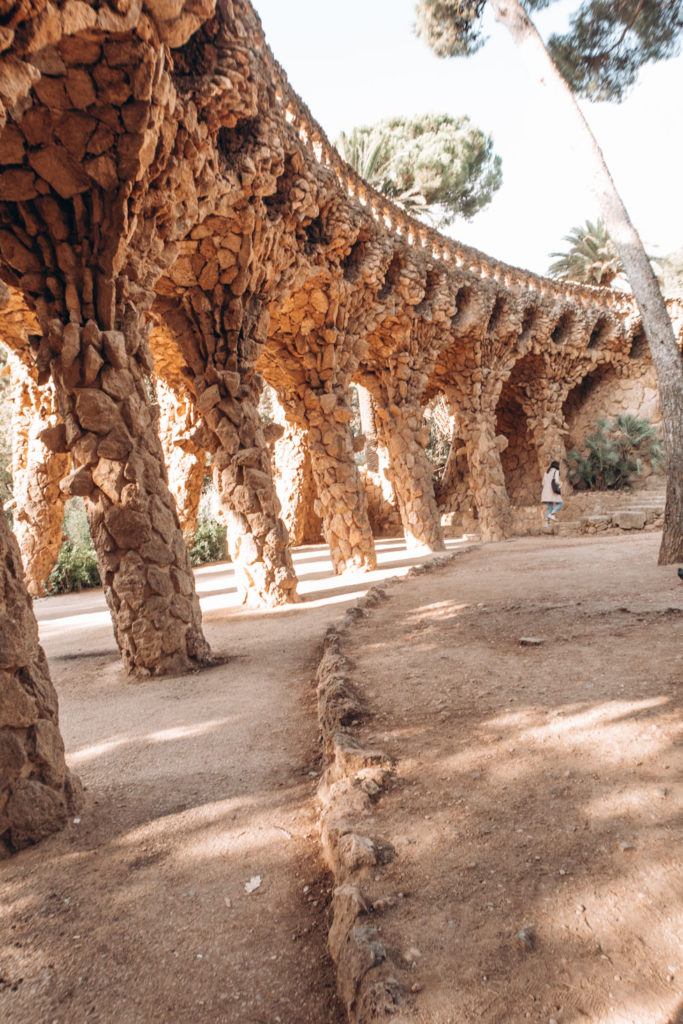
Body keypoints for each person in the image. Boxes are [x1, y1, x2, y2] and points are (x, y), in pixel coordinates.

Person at [541, 460, 563, 524]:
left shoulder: (546, 472)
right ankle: (552, 514)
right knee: (560, 503)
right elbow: (556, 481)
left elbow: (543, 483)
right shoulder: (556, 471)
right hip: (552, 491)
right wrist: (561, 483)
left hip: (545, 492)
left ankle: (547, 524)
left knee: (549, 507)